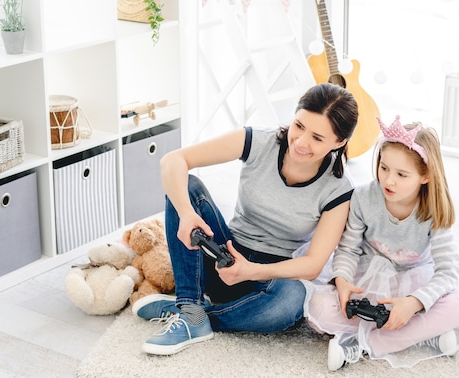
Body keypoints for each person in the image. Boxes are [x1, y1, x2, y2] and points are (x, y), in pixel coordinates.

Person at [131, 82, 359, 356]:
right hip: (223, 254)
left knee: (293, 302)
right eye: (299, 126)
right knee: (185, 187)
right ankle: (191, 306)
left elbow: (311, 266)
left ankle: (195, 314)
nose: (301, 142)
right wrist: (187, 213)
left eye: (317, 138)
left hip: (267, 277)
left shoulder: (338, 191)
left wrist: (252, 270)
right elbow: (173, 160)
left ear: (339, 142)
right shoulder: (258, 140)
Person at [304, 115, 459, 370]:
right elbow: (347, 248)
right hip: (366, 278)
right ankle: (422, 335)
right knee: (318, 309)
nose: (389, 180)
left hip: (413, 281)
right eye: (384, 167)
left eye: (402, 174)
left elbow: (448, 271)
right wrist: (343, 281)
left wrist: (414, 303)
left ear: (425, 176)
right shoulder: (364, 197)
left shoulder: (433, 211)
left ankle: (364, 344)